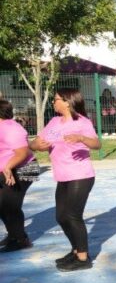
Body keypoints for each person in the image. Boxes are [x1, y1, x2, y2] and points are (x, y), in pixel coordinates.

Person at [29, 89, 101, 271]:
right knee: (61, 216)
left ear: (68, 102)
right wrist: (36, 145)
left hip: (81, 175)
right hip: (62, 176)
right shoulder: (53, 122)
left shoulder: (82, 122)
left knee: (72, 216)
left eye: (56, 100)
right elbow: (35, 143)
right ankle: (76, 250)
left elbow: (97, 144)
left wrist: (82, 138)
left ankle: (83, 259)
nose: (54, 102)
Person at [0, 99, 37, 253]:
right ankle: (13, 235)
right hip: (7, 169)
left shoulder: (11, 129)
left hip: (25, 168)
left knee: (9, 205)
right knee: (2, 206)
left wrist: (8, 166)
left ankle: (21, 239)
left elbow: (22, 153)